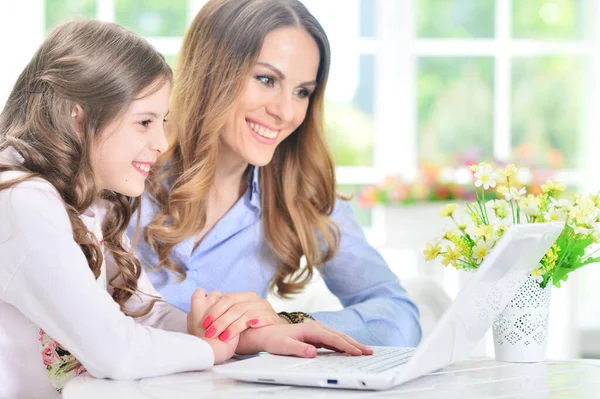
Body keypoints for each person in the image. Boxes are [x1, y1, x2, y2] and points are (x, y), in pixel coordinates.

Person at [0, 19, 370, 399]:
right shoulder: (21, 201)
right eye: (143, 122)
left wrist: (246, 337)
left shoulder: (87, 201)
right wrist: (212, 349)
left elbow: (147, 311)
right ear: (78, 118)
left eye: (161, 122)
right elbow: (116, 352)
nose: (161, 143)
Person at [134, 0, 422, 347]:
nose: (286, 112)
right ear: (212, 73)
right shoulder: (126, 177)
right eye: (267, 79)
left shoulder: (301, 196)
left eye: (303, 92)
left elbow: (400, 318)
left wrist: (287, 323)